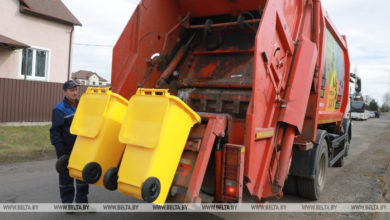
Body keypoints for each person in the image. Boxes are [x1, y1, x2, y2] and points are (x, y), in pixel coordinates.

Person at [50, 80, 89, 204]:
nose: (75, 92)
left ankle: (82, 202)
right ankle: (67, 204)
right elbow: (55, 132)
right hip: (66, 149)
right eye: (71, 90)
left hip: (81, 148)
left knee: (82, 176)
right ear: (65, 92)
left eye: (76, 90)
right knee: (66, 178)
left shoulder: (83, 106)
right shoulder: (59, 109)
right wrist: (60, 150)